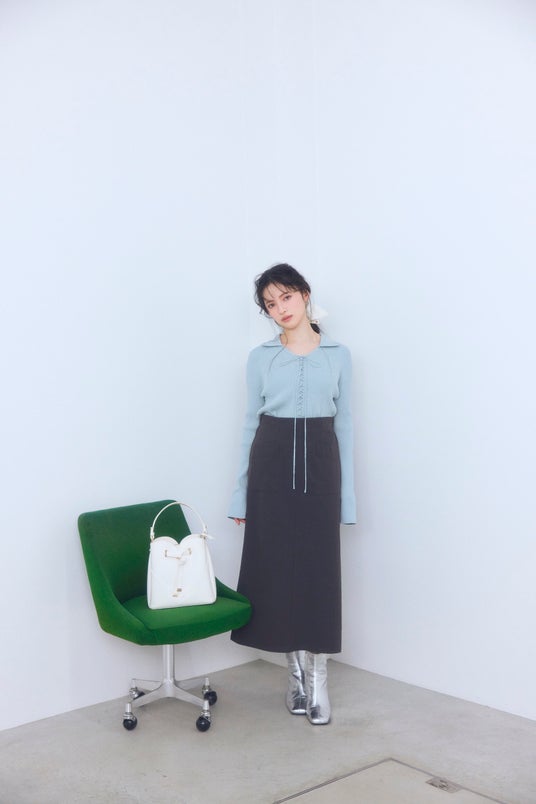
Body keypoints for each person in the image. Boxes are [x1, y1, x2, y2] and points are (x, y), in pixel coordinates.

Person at [228, 263, 356, 725]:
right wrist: (240, 494)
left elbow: (345, 426)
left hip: (321, 465)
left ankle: (319, 676)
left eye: (285, 297)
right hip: (271, 463)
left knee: (319, 572)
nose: (280, 308)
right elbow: (250, 425)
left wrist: (348, 498)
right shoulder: (259, 357)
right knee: (276, 571)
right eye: (270, 304)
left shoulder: (339, 355)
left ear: (303, 294)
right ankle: (295, 674)